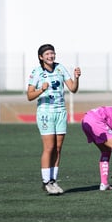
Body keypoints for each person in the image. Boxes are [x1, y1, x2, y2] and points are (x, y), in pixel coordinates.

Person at [27, 44, 81, 195]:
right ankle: (45, 182)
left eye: (52, 53)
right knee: (49, 148)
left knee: (58, 148)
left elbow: (73, 89)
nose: (51, 56)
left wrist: (76, 78)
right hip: (46, 113)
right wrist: (41, 89)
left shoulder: (60, 68)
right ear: (41, 57)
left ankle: (53, 181)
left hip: (61, 112)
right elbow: (29, 96)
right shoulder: (37, 72)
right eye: (47, 54)